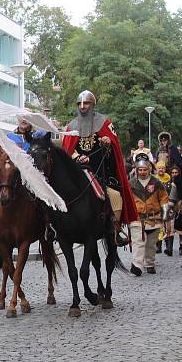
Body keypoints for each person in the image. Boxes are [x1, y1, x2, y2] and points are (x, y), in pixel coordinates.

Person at [61, 90, 137, 246]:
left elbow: (114, 151)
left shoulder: (105, 124)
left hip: (100, 171)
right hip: (78, 172)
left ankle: (116, 228)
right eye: (80, 104)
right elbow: (67, 150)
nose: (83, 106)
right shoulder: (71, 126)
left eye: (86, 103)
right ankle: (56, 228)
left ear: (93, 104)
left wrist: (107, 142)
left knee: (114, 195)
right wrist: (77, 157)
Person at [128, 155, 169, 275]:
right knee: (138, 242)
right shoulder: (131, 183)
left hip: (154, 218)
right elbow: (126, 200)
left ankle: (149, 263)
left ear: (149, 169)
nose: (142, 172)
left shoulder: (156, 182)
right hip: (137, 218)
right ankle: (137, 265)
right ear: (136, 170)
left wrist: (165, 213)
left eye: (145, 169)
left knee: (151, 244)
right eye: (140, 170)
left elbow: (163, 198)